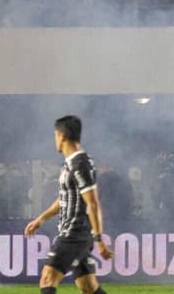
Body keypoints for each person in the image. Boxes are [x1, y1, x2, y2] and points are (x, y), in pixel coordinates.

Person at [23, 116, 114, 294]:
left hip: (75, 233)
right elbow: (66, 198)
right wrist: (41, 219)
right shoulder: (70, 164)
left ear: (62, 136)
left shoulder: (81, 164)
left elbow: (93, 203)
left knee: (47, 278)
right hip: (77, 234)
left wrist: (99, 240)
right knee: (88, 287)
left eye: (55, 135)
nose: (55, 140)